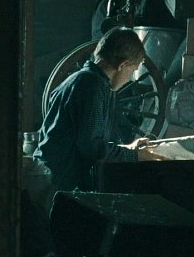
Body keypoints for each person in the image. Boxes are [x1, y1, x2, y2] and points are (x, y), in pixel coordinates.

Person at [32, 26, 161, 194]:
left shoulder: (81, 79)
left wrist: (129, 148)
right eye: (132, 71)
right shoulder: (92, 86)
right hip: (55, 182)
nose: (129, 78)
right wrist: (136, 156)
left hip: (50, 175)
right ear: (123, 65)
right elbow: (93, 148)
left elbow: (90, 140)